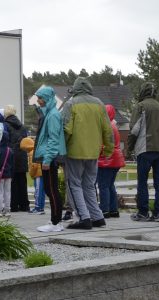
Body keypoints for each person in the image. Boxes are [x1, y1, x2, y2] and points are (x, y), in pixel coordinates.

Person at [61, 77, 113, 230]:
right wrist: (108, 149)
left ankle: (84, 218)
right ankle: (98, 217)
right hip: (93, 152)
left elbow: (66, 129)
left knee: (73, 184)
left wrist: (60, 150)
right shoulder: (99, 104)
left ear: (75, 89)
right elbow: (107, 130)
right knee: (89, 185)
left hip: (75, 151)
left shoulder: (71, 104)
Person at [127, 82, 159, 222]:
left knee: (142, 182)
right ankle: (158, 214)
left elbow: (134, 130)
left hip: (145, 148)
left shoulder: (141, 106)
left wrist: (129, 148)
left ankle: (143, 212)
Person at [33, 86, 68, 233]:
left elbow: (53, 139)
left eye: (40, 98)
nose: (38, 101)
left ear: (46, 98)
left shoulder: (53, 115)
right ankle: (55, 220)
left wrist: (47, 159)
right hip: (48, 156)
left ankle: (56, 222)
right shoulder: (49, 113)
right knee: (49, 189)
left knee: (52, 189)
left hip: (50, 157)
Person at [97, 104, 125, 218]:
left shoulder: (105, 127)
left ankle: (105, 210)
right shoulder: (114, 125)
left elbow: (102, 145)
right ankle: (113, 209)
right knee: (110, 185)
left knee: (103, 185)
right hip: (116, 159)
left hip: (107, 160)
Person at [3, 105, 29, 212]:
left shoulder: (5, 125)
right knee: (22, 181)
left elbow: (5, 140)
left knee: (12, 182)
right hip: (22, 155)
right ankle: (24, 205)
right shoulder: (22, 126)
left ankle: (13, 205)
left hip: (11, 155)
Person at [21, 137, 46, 214]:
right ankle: (41, 207)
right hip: (41, 174)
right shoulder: (36, 150)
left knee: (38, 191)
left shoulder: (32, 152)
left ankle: (37, 207)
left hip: (37, 174)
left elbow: (34, 165)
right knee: (42, 191)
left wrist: (31, 174)